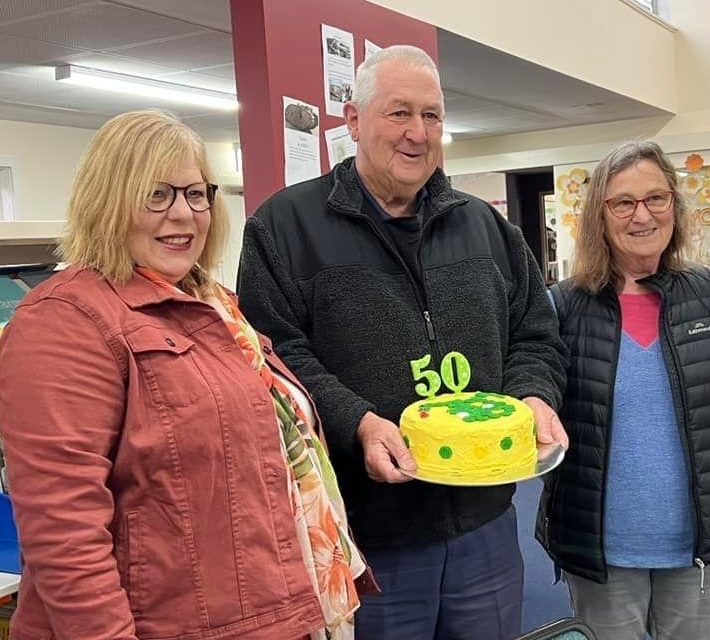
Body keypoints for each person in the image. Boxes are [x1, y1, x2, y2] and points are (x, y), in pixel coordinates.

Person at [0, 109, 369, 640]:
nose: (184, 214)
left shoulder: (214, 307)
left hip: (274, 609)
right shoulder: (63, 321)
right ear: (108, 200)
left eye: (196, 194)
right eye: (157, 194)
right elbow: (64, 539)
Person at [238, 45, 568, 639]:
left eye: (433, 116)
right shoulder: (284, 228)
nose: (418, 133)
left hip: (484, 526)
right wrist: (358, 421)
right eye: (399, 113)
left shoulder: (486, 226)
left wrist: (534, 395)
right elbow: (275, 358)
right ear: (354, 119)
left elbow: (535, 333)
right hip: (371, 535)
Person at [536, 140, 710, 640]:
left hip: (699, 546)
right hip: (600, 550)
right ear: (599, 215)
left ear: (674, 206)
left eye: (656, 198)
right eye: (623, 202)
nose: (641, 215)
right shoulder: (561, 307)